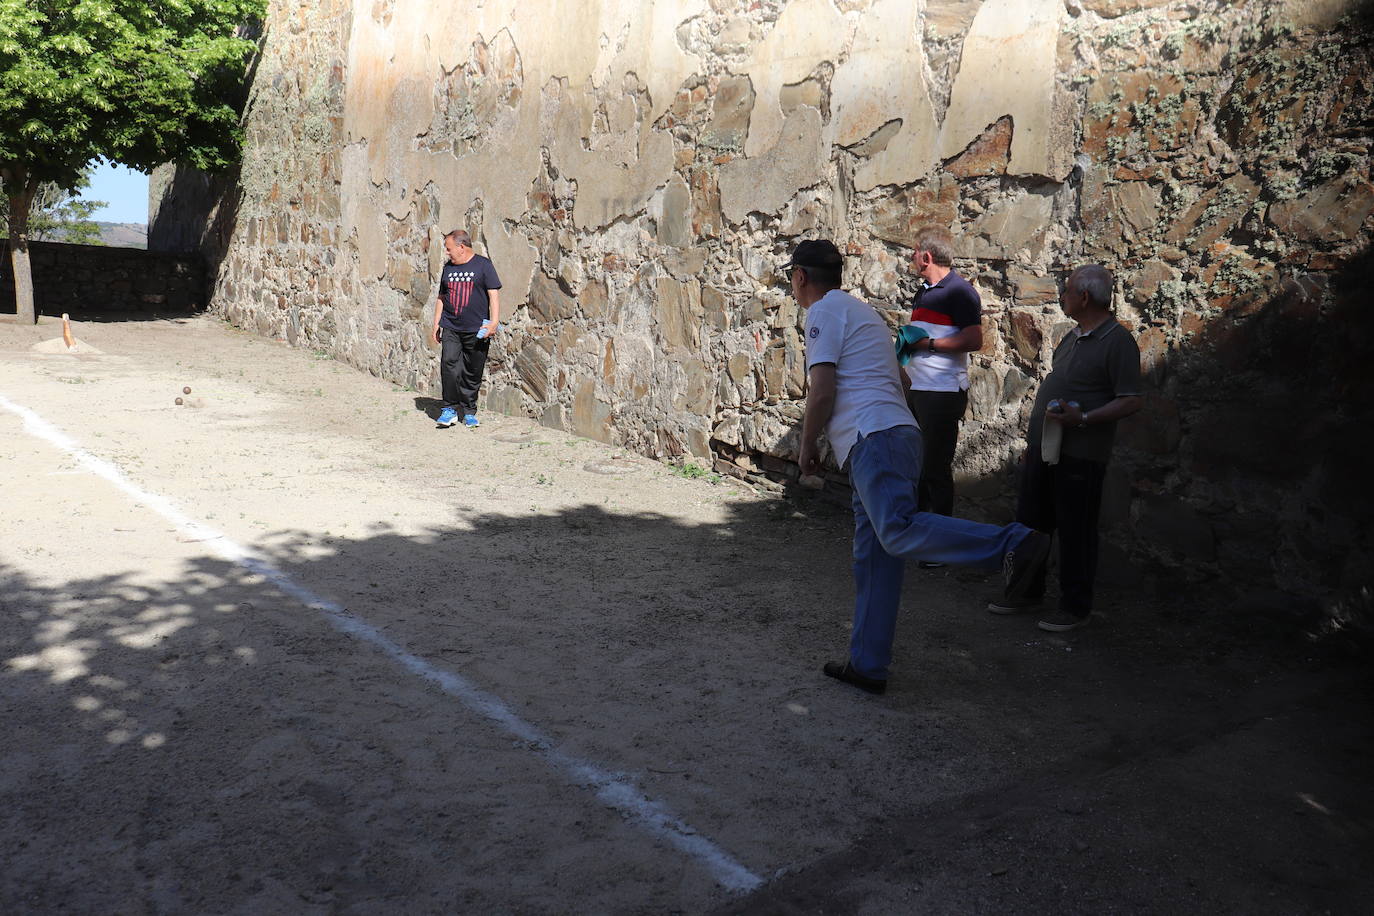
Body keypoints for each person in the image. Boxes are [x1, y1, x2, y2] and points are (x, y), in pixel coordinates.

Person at [791, 239, 1051, 695]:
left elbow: (823, 388)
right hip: (893, 433)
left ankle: (1017, 543)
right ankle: (866, 665)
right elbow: (904, 377)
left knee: (896, 530)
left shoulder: (824, 313)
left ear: (800, 277)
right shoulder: (863, 315)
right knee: (874, 558)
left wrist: (807, 444)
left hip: (874, 437)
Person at [989, 264, 1143, 632]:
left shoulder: (1118, 342)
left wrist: (1085, 419)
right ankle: (1027, 592)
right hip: (1047, 449)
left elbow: (1131, 400)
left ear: (1084, 297)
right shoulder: (1073, 337)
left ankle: (1075, 608)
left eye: (1068, 290)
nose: (1062, 296)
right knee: (1032, 523)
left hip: (1082, 454)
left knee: (1075, 530)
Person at [903, 228, 984, 568]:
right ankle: (918, 539)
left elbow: (975, 339)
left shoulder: (960, 292)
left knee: (936, 469)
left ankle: (942, 546)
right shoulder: (924, 293)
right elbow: (917, 339)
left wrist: (929, 345)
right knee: (918, 469)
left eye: (913, 253)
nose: (910, 260)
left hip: (942, 393)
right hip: (919, 391)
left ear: (926, 256)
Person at [430, 230, 502, 428]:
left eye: (449, 248)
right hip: (451, 326)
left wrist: (494, 322)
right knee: (449, 364)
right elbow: (442, 297)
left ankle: (469, 411)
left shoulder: (483, 265)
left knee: (472, 370)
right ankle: (449, 409)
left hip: (477, 328)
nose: (447, 252)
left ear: (461, 247)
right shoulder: (448, 269)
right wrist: (436, 323)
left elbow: (493, 294)